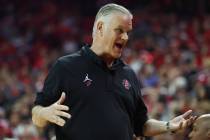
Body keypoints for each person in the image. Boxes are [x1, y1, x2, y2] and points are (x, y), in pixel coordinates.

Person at [32, 3, 196, 140]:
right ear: (100, 27)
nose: (125, 37)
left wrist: (168, 125)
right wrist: (45, 113)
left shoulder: (129, 74)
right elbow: (36, 114)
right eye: (119, 30)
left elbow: (141, 125)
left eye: (128, 32)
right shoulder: (66, 67)